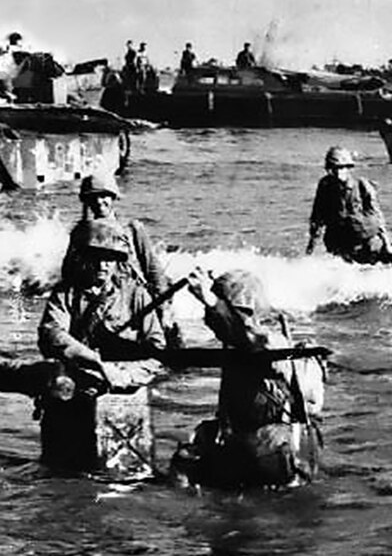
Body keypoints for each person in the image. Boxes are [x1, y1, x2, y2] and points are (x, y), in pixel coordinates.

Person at [172, 269, 325, 488]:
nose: (211, 322)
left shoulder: (271, 342)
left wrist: (213, 302)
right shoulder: (237, 346)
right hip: (252, 441)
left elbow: (249, 336)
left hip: (278, 450)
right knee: (189, 454)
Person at [38, 219, 166, 472]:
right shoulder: (67, 294)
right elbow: (51, 334)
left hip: (122, 398)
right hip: (75, 393)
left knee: (126, 479)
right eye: (96, 257)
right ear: (83, 258)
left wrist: (126, 375)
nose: (103, 265)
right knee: (62, 478)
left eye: (110, 258)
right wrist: (95, 363)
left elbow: (157, 350)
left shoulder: (136, 295)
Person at [61, 172, 180, 348]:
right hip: (98, 301)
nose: (99, 201)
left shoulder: (131, 229)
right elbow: (68, 272)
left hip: (131, 301)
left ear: (113, 197)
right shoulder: (81, 233)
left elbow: (152, 269)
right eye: (93, 197)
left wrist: (163, 307)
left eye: (104, 196)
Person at [306, 146, 392, 264]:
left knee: (387, 257)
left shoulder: (361, 185)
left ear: (348, 168)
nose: (338, 173)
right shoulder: (325, 186)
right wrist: (310, 247)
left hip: (364, 236)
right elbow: (317, 216)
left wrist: (386, 242)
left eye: (341, 168)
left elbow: (376, 214)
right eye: (334, 169)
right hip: (339, 238)